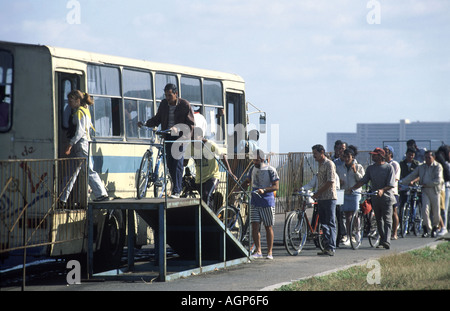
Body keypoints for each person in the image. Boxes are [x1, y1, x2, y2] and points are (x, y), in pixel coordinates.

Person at [138, 84, 195, 198]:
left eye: (170, 95)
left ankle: (177, 191)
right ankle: (175, 187)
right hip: (168, 136)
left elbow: (190, 126)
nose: (168, 98)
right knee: (170, 164)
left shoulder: (185, 105)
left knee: (177, 163)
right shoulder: (164, 104)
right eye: (166, 95)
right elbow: (157, 118)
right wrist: (145, 123)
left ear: (176, 94)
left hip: (180, 138)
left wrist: (178, 129)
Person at [61, 90, 108, 205]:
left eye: (71, 101)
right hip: (81, 144)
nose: (69, 103)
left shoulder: (80, 112)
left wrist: (70, 145)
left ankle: (101, 194)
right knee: (72, 172)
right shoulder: (84, 110)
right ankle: (62, 199)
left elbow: (80, 132)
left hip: (81, 145)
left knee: (88, 170)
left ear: (78, 100)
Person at [351, 148, 396, 249]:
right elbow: (364, 180)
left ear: (380, 156)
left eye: (375, 155)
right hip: (375, 198)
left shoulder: (389, 168)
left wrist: (382, 190)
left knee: (387, 219)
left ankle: (387, 240)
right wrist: (353, 188)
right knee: (378, 219)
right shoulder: (370, 168)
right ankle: (383, 238)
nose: (372, 156)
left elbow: (391, 184)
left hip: (386, 198)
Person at [240, 149, 279, 260]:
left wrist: (264, 190)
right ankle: (258, 251)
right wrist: (239, 187)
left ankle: (270, 252)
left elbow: (276, 187)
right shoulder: (252, 169)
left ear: (262, 158)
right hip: (255, 202)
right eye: (253, 159)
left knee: (268, 227)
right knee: (255, 226)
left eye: (256, 159)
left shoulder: (271, 170)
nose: (254, 161)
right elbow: (247, 181)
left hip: (267, 202)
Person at [187, 127, 236, 207]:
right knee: (204, 200)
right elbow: (185, 161)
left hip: (212, 176)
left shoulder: (210, 144)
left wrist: (229, 171)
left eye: (194, 138)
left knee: (206, 195)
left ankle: (206, 218)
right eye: (191, 139)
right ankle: (212, 212)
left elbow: (222, 156)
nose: (192, 141)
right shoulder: (191, 146)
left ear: (200, 136)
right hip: (200, 178)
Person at [400, 151, 444, 237]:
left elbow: (438, 180)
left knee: (436, 211)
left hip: (434, 191)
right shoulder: (421, 167)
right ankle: (426, 228)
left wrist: (426, 184)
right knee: (425, 209)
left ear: (433, 158)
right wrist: (402, 182)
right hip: (425, 191)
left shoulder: (437, 166)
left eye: (429, 157)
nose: (427, 159)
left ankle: (435, 227)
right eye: (425, 157)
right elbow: (412, 175)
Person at [311, 144, 337, 256]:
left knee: (330, 222)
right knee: (324, 223)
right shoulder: (320, 165)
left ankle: (331, 247)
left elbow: (330, 181)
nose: (314, 156)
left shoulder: (329, 164)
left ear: (322, 152)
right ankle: (326, 247)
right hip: (321, 198)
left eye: (315, 154)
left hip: (329, 197)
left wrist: (318, 193)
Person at [336, 145, 365, 246]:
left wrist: (355, 171)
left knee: (355, 215)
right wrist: (339, 181)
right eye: (345, 157)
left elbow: (362, 180)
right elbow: (336, 179)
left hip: (355, 193)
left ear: (352, 157)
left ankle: (357, 233)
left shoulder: (359, 167)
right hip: (344, 193)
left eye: (348, 157)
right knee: (347, 216)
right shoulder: (340, 168)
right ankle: (348, 236)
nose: (346, 159)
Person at [384, 146, 401, 240]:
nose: (384, 153)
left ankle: (394, 233)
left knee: (394, 212)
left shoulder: (394, 164)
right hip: (383, 190)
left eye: (386, 151)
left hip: (392, 191)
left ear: (390, 153)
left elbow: (395, 178)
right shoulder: (382, 164)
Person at [436, 145, 450, 235]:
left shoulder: (445, 164)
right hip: (443, 186)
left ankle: (443, 227)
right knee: (441, 208)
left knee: (444, 208)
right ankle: (440, 226)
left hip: (446, 186)